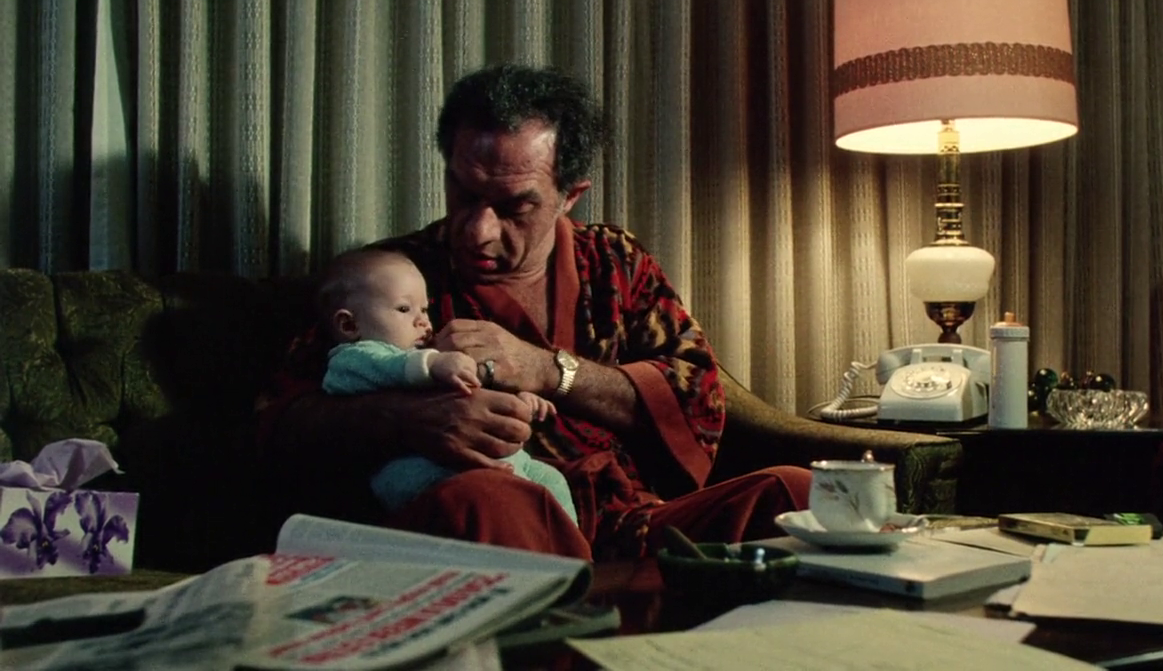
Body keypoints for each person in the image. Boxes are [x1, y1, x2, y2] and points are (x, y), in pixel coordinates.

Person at [257, 63, 810, 561]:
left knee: (798, 492)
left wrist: (548, 370)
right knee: (491, 500)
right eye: (464, 194)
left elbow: (698, 400)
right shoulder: (391, 281)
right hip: (483, 516)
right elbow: (278, 422)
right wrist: (406, 421)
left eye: (514, 206)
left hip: (628, 525)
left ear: (570, 195)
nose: (478, 231)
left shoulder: (615, 262)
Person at [316, 246, 578, 522]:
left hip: (499, 462)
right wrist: (434, 364)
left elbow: (472, 394)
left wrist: (517, 402)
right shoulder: (353, 359)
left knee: (552, 479)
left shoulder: (428, 357)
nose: (423, 321)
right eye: (404, 309)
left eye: (424, 309)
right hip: (416, 469)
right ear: (349, 325)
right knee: (487, 495)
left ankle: (571, 549)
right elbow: (392, 367)